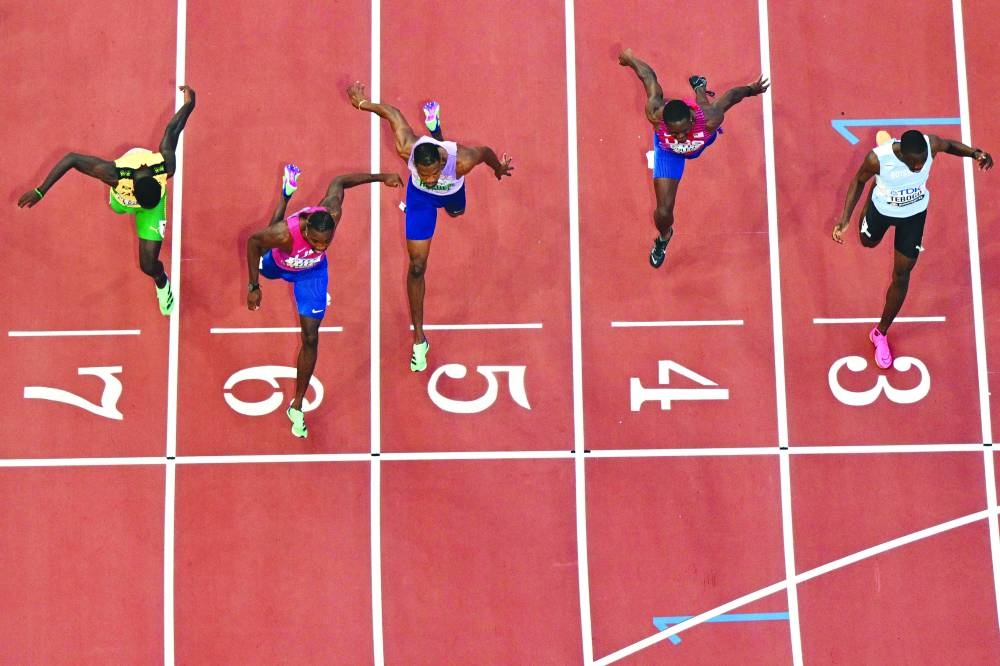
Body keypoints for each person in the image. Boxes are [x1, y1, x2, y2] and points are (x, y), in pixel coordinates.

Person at [346, 81, 514, 372]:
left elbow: (484, 151)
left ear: (441, 163)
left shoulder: (461, 161)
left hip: (453, 193)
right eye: (424, 173)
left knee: (457, 214)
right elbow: (393, 114)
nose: (430, 177)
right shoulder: (406, 149)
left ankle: (436, 130)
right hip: (420, 199)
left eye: (434, 172)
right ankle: (419, 339)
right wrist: (363, 104)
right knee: (416, 267)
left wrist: (497, 167)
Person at [246, 164, 403, 438]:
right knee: (269, 235)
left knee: (310, 337)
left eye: (326, 243)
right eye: (317, 242)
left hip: (312, 274)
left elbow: (339, 180)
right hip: (279, 264)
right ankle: (286, 194)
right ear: (307, 232)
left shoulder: (332, 212)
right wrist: (253, 286)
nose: (321, 246)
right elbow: (253, 242)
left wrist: (381, 177)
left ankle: (296, 405)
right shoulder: (287, 233)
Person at [17, 85, 197, 315]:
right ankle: (131, 208)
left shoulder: (166, 166)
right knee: (116, 208)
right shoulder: (114, 174)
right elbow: (71, 159)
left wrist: (191, 103)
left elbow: (174, 129)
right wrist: (40, 191)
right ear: (132, 191)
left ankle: (162, 283)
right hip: (121, 201)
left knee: (148, 265)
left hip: (153, 206)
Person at [833, 130, 992, 368]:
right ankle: (875, 194)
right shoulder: (877, 159)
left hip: (914, 215)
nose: (919, 166)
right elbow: (857, 180)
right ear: (903, 157)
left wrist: (975, 153)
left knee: (902, 275)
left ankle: (880, 333)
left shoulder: (931, 145)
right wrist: (845, 218)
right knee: (868, 242)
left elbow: (949, 146)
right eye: (914, 163)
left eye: (922, 161)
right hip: (881, 210)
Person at [618, 48, 769, 268]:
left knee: (704, 105)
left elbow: (731, 96)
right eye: (674, 132)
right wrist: (631, 60)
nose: (679, 137)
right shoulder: (655, 115)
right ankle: (663, 238)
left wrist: (751, 90)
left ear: (690, 118)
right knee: (662, 212)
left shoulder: (709, 119)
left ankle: (700, 87)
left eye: (683, 131)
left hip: (701, 141)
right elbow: (649, 77)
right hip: (669, 154)